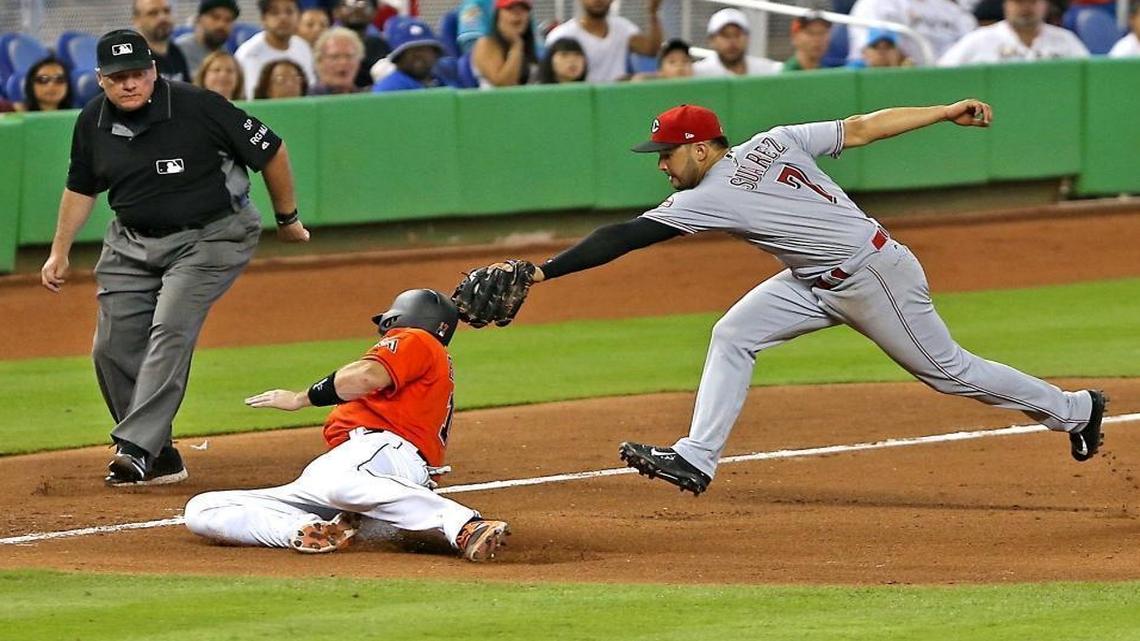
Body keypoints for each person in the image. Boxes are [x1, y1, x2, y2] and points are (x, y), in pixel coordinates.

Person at [465, 101, 1108, 496]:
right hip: (810, 280)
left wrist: (543, 273)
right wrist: (940, 111)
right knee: (733, 334)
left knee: (950, 373)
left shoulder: (709, 193)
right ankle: (695, 457)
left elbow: (625, 236)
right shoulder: (774, 141)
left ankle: (1076, 409)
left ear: (698, 147)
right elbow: (862, 128)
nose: (661, 165)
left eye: (666, 154)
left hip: (873, 275)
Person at [40, 29, 311, 487]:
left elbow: (272, 149)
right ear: (100, 80)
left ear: (154, 71)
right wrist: (59, 251)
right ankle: (159, 454)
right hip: (130, 240)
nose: (130, 84)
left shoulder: (197, 106)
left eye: (138, 74)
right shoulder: (91, 121)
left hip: (212, 236)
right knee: (112, 347)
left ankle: (135, 447)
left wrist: (288, 219)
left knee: (170, 327)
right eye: (118, 76)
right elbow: (81, 186)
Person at [183, 289, 511, 562]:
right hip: (358, 464)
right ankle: (306, 530)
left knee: (335, 482)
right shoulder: (426, 353)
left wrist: (301, 398)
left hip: (383, 452)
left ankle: (464, 523)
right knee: (204, 509)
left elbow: (365, 377)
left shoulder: (417, 339)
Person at [544, 0, 663, 82]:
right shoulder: (561, 35)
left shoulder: (622, 28)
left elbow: (652, 49)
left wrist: (653, 13)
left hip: (615, 100)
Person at [938, 0, 1089, 65]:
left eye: (1033, 2)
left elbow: (1089, 77)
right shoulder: (979, 40)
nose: (1026, 8)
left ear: (1045, 5)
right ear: (1006, 5)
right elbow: (942, 74)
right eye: (1018, 1)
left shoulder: (1065, 40)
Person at [846, 0, 977, 64]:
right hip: (904, 81)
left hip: (955, 77)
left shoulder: (953, 10)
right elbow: (877, 56)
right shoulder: (876, 4)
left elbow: (976, 50)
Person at [235, 0, 317, 100]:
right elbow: (251, 98)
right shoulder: (248, 53)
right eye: (275, 13)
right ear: (263, 18)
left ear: (299, 17)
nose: (283, 18)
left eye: (289, 12)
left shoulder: (303, 47)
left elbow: (310, 89)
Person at [693, 9, 781, 77]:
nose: (732, 41)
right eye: (725, 35)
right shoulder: (697, 73)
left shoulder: (767, 70)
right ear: (712, 40)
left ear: (747, 38)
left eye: (737, 35)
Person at [471, 0, 539, 88]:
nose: (517, 14)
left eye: (523, 9)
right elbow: (503, 85)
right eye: (510, 9)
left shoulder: (532, 46)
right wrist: (516, 46)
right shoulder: (485, 44)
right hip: (493, 101)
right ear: (498, 15)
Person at [371, 17, 447, 92]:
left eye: (424, 49)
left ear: (435, 54)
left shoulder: (441, 81)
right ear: (397, 57)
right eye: (411, 50)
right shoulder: (390, 88)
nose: (418, 54)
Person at [333, 0, 392, 88]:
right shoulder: (329, 44)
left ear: (374, 12)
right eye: (349, 4)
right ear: (336, 12)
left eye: (363, 4)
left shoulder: (380, 44)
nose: (356, 9)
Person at [175, 0, 241, 76]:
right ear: (199, 19)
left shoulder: (226, 53)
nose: (221, 24)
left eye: (228, 20)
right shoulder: (179, 50)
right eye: (215, 17)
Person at [133, 0, 191, 81]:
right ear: (137, 20)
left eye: (167, 11)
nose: (162, 17)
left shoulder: (176, 52)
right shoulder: (134, 57)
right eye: (153, 13)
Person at [310, 27, 366, 94]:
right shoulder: (306, 99)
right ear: (319, 62)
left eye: (349, 56)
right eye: (335, 57)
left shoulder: (368, 99)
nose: (343, 62)